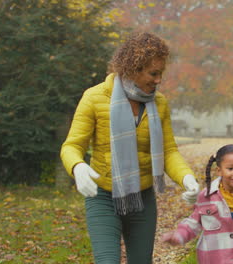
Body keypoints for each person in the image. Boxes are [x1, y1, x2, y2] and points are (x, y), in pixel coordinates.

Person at [60, 31, 200, 264]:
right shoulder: (94, 98)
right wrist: (77, 167)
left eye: (161, 74)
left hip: (142, 198)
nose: (158, 81)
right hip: (103, 196)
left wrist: (186, 178)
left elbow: (169, 151)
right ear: (133, 68)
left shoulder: (159, 103)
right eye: (153, 73)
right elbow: (71, 146)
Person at [161, 144, 233, 264]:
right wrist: (179, 236)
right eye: (230, 169)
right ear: (219, 170)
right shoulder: (206, 197)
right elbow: (193, 223)